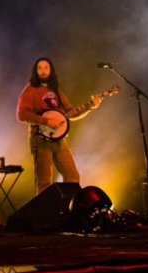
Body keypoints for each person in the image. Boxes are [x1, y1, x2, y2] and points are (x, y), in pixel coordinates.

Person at [16, 57, 100, 195]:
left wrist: (91, 106)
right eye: (40, 68)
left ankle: (66, 211)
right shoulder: (29, 90)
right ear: (35, 71)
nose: (43, 71)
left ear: (51, 71)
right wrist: (46, 121)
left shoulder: (56, 90)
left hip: (59, 139)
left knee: (72, 176)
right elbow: (21, 114)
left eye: (46, 67)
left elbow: (70, 113)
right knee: (44, 182)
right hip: (40, 138)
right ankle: (46, 214)